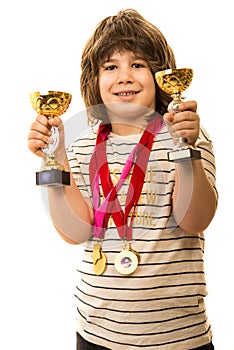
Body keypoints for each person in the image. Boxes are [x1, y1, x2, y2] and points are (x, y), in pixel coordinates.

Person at [28, 9, 218, 350]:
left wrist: (185, 149)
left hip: (179, 337)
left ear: (162, 76)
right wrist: (52, 157)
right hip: (96, 334)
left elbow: (196, 219)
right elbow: (74, 232)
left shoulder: (186, 133)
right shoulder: (82, 146)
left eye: (139, 64)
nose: (125, 76)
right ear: (95, 80)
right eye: (111, 66)